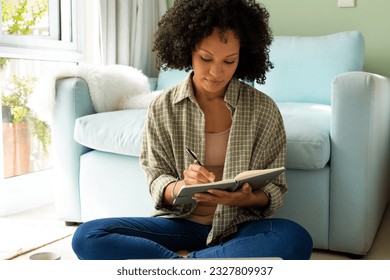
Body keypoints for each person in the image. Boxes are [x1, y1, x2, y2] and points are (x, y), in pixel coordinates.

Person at [72, 0, 313, 260]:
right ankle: (205, 264)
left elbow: (275, 189)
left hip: (239, 225)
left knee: (294, 240)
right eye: (205, 58)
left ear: (243, 56)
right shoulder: (163, 107)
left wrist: (245, 199)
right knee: (87, 236)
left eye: (229, 61)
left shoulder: (263, 109)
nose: (216, 72)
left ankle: (184, 264)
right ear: (187, 49)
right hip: (180, 224)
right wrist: (181, 186)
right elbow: (156, 179)